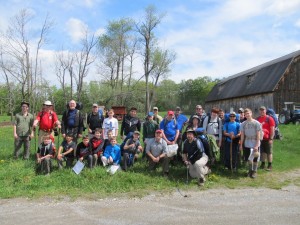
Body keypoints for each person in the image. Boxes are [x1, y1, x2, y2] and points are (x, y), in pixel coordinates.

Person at [240, 108, 262, 178]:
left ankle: (254, 171)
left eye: (248, 113)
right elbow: (242, 135)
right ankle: (250, 170)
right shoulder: (243, 124)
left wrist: (256, 145)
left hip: (255, 141)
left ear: (251, 113)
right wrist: (241, 144)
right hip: (247, 142)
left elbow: (258, 135)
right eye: (245, 114)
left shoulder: (256, 123)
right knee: (248, 158)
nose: (247, 115)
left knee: (255, 157)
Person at [257, 106, 275, 171]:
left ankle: (270, 165)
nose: (262, 111)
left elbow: (272, 129)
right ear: (259, 111)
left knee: (269, 152)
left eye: (263, 110)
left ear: (265, 110)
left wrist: (271, 138)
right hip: (261, 139)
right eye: (261, 110)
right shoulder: (258, 119)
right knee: (263, 152)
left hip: (268, 139)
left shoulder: (269, 119)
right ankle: (263, 164)